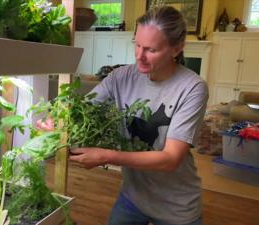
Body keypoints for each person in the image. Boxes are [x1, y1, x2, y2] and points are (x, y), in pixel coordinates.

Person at [37, 6, 208, 225]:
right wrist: (57, 120)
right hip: (133, 197)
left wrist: (107, 156)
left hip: (176, 206)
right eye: (137, 44)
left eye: (151, 50)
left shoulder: (192, 87)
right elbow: (82, 109)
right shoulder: (121, 77)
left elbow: (170, 159)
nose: (139, 56)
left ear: (177, 49)